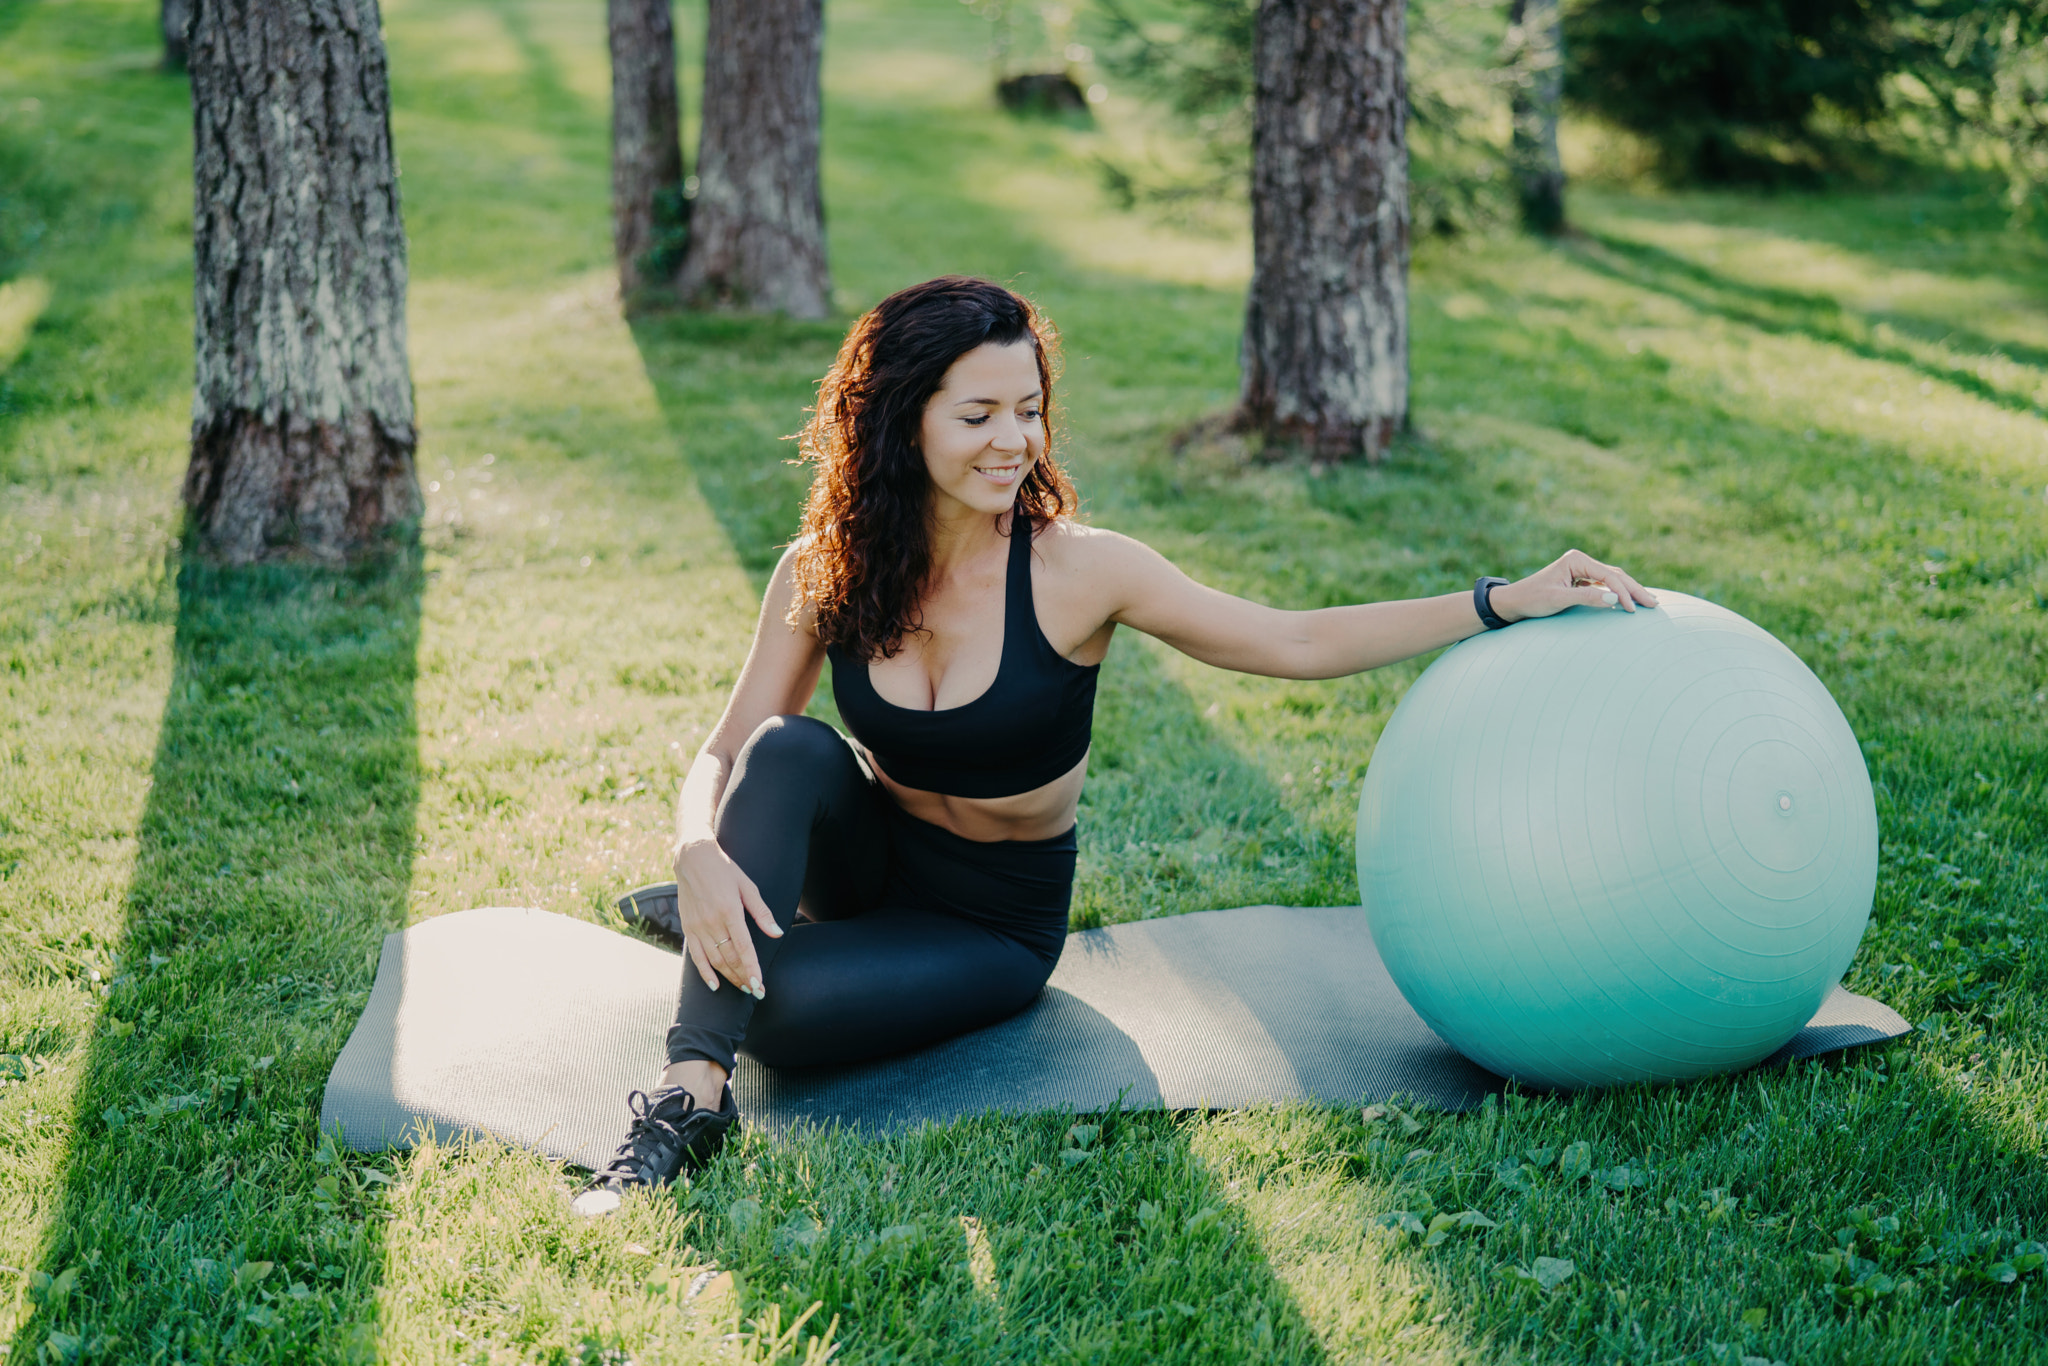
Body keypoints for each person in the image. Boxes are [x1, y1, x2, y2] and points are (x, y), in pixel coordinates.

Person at [580, 276, 1656, 1202]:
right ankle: (688, 1100)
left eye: (1029, 410)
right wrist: (694, 843)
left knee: (779, 1006)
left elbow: (1289, 638)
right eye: (977, 415)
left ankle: (726, 946)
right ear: (902, 418)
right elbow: (724, 748)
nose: (1013, 441)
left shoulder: (1080, 572)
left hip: (985, 919)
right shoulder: (827, 565)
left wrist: (1496, 600)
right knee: (784, 752)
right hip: (868, 855)